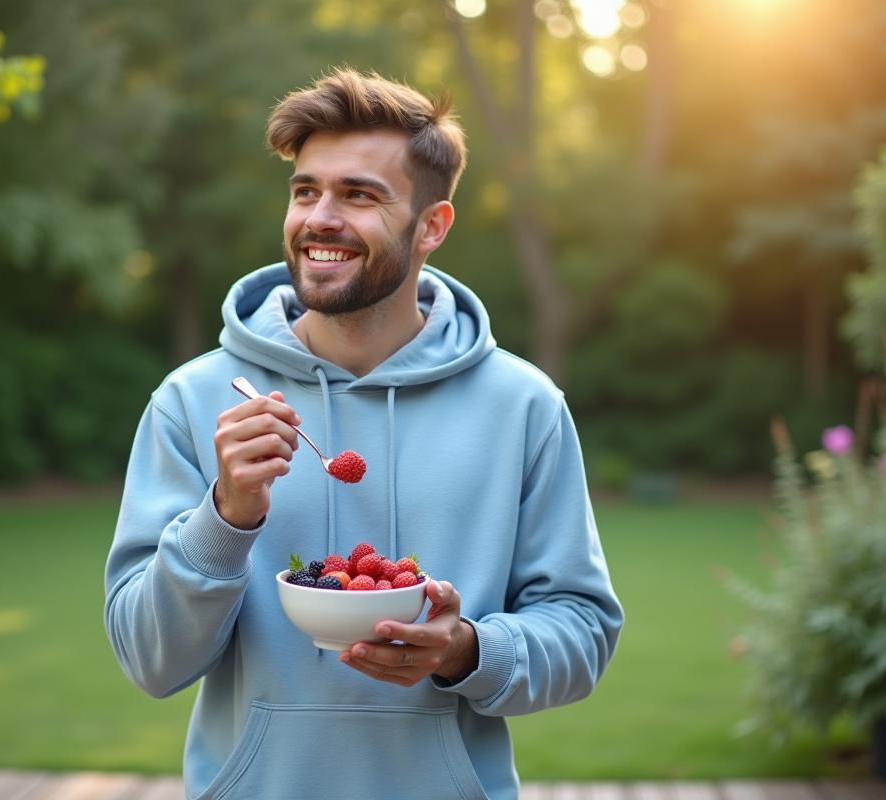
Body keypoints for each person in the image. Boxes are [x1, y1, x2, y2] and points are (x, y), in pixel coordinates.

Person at [104, 68, 623, 800]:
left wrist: (467, 650)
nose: (319, 217)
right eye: (305, 190)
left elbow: (583, 633)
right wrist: (225, 517)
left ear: (432, 227)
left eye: (359, 195)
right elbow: (147, 661)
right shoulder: (194, 399)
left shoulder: (522, 405)